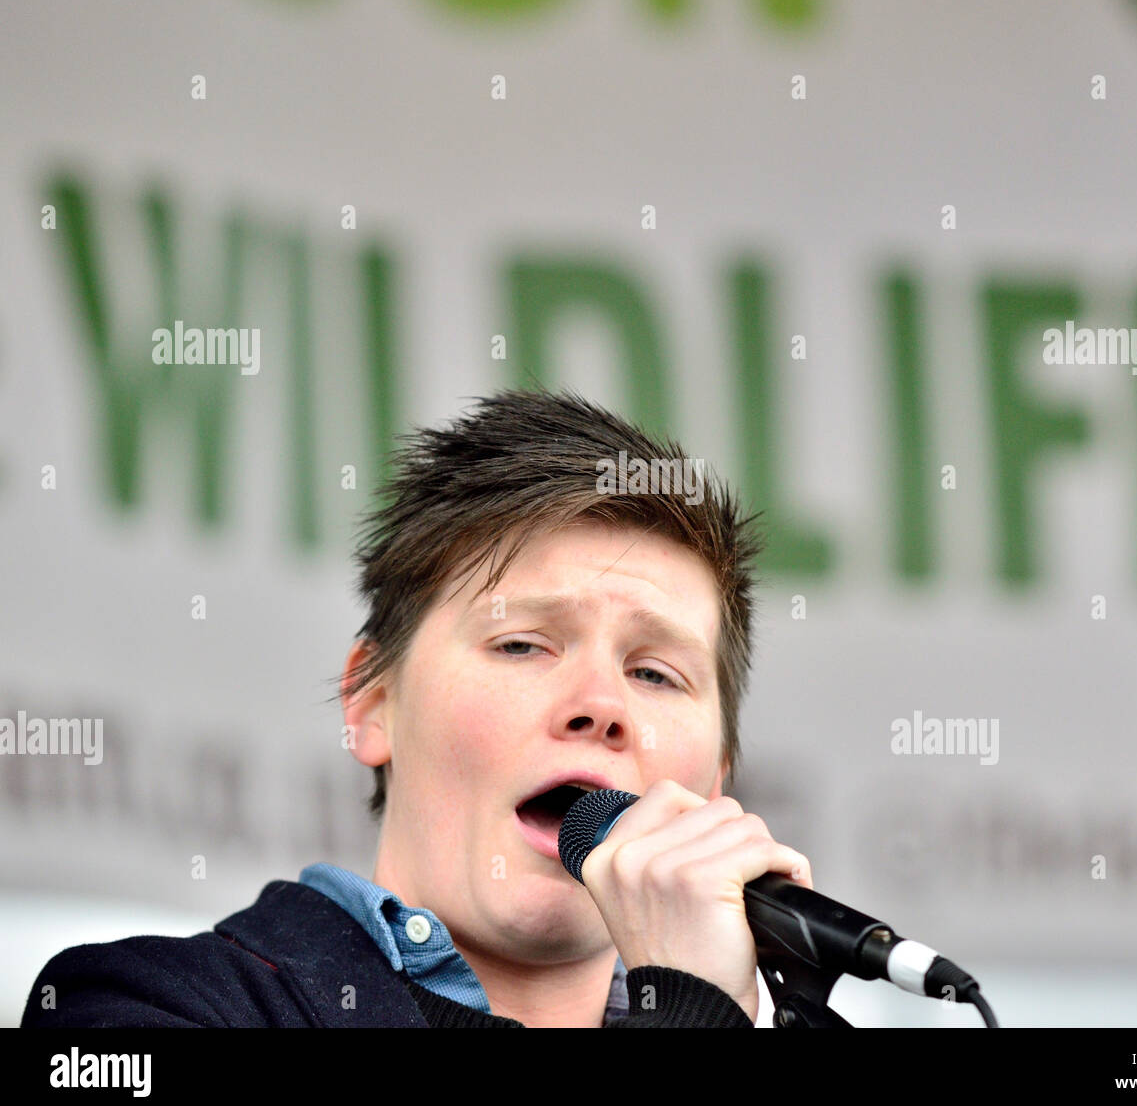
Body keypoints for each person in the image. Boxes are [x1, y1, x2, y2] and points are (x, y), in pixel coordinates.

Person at [22, 387, 813, 1028]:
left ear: (712, 786)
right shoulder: (143, 1004)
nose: (601, 707)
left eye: (654, 674)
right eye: (522, 645)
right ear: (371, 701)